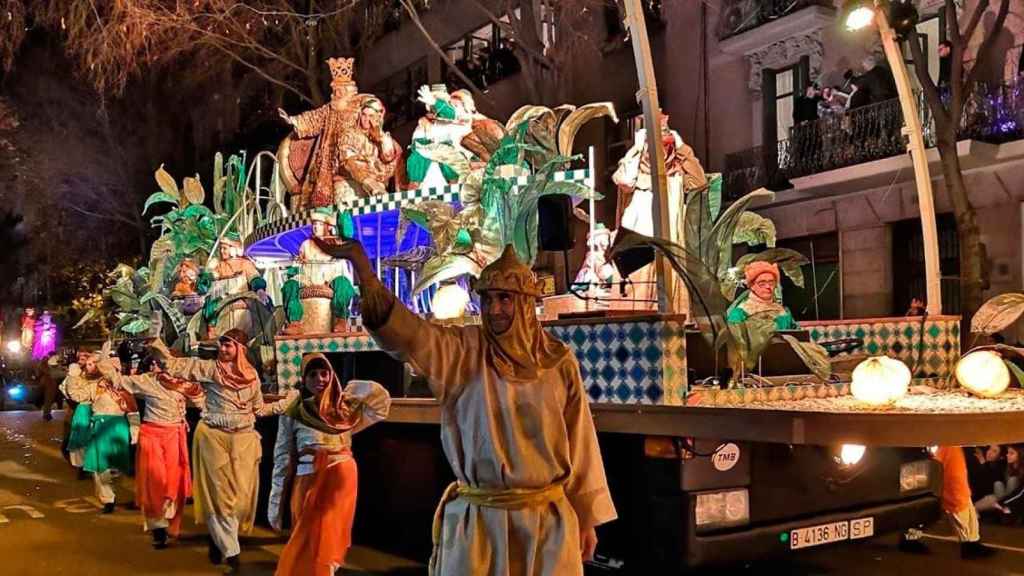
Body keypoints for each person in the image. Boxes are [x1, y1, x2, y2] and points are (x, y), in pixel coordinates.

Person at [315, 238, 617, 576]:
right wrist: (365, 271)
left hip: (545, 525)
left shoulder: (558, 361)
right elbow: (410, 336)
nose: (494, 309)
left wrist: (587, 519)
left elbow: (581, 440)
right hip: (479, 525)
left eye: (505, 299)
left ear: (526, 303)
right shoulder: (462, 352)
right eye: (487, 299)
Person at [149, 329, 297, 574]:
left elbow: (259, 410)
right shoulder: (210, 369)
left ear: (240, 349)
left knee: (240, 500)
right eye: (222, 345)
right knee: (220, 498)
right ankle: (232, 553)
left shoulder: (251, 377)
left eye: (229, 345)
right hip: (213, 438)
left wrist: (286, 402)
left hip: (244, 441)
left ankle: (218, 539)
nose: (223, 349)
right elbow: (174, 365)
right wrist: (156, 343)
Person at [270, 353, 391, 576]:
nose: (320, 379)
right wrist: (275, 504)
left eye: (325, 373)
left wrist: (350, 390)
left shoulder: (344, 410)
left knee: (330, 535)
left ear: (332, 375)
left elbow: (380, 403)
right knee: (307, 541)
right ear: (303, 379)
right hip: (308, 481)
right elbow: (282, 457)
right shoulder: (295, 412)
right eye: (313, 374)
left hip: (341, 484)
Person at [96, 355, 205, 549]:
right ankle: (158, 529)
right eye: (157, 362)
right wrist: (102, 359)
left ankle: (169, 523)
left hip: (175, 436)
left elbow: (205, 403)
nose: (158, 365)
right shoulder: (147, 381)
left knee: (174, 483)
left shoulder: (186, 384)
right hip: (152, 437)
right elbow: (118, 380)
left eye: (163, 362)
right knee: (154, 483)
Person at [62, 351, 138, 514]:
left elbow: (132, 409)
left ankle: (122, 492)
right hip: (99, 427)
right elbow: (77, 395)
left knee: (118, 465)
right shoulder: (94, 386)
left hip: (118, 427)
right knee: (99, 466)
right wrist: (73, 375)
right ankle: (108, 499)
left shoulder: (122, 386)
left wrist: (135, 429)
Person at [932, 446, 996, 559]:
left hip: (960, 488)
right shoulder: (947, 447)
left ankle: (973, 544)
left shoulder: (954, 447)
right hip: (953, 489)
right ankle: (969, 547)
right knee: (963, 520)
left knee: (970, 519)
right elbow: (939, 467)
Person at [726, 261, 798, 330]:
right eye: (762, 284)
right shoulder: (739, 314)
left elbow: (798, 333)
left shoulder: (783, 312)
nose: (768, 287)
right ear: (752, 286)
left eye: (771, 283)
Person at [975, 444, 1020, 515]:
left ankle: (1007, 512)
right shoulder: (1007, 467)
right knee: (997, 484)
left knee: (1012, 480)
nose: (989, 452)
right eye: (989, 449)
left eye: (994, 451)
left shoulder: (1000, 467)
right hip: (1000, 497)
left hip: (1011, 500)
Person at [38, 354, 64, 421]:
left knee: (49, 398)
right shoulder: (46, 362)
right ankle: (46, 414)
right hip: (49, 382)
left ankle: (47, 413)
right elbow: (53, 372)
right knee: (49, 398)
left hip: (48, 381)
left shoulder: (44, 361)